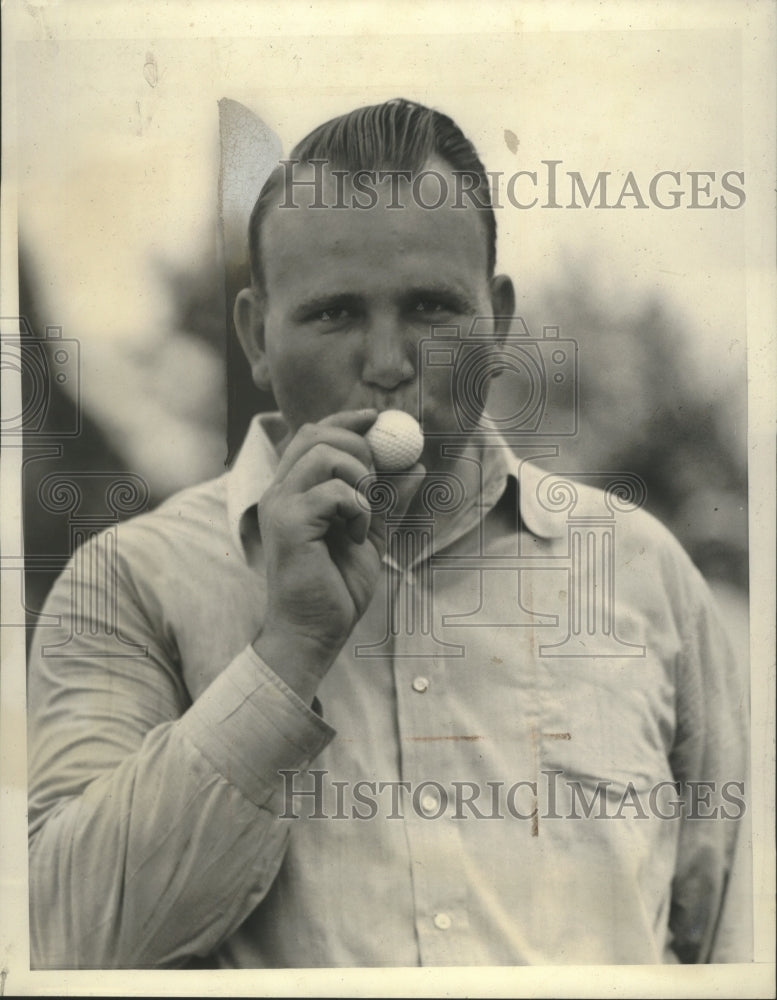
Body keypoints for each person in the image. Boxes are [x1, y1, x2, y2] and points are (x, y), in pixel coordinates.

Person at [27, 98, 749, 969]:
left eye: (432, 309)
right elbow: (67, 944)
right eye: (332, 314)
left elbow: (733, 941)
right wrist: (287, 654)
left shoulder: (638, 570)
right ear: (257, 336)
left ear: (501, 321)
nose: (385, 363)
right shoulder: (126, 584)